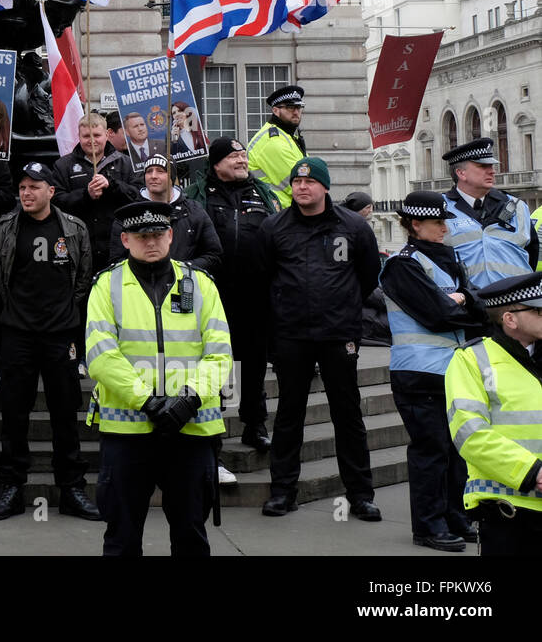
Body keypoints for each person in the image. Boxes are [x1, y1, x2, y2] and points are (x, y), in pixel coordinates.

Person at [85, 201, 231, 555]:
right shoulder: (106, 285)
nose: (150, 242)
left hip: (191, 428)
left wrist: (188, 400)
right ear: (125, 239)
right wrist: (148, 402)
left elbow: (220, 354)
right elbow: (101, 355)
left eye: (157, 234)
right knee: (121, 537)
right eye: (141, 236)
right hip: (128, 431)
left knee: (191, 535)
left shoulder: (200, 284)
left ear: (170, 236)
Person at [257, 156, 383, 521]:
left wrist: (342, 306)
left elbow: (369, 276)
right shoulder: (273, 227)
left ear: (325, 186)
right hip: (291, 334)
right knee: (288, 415)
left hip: (338, 333)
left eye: (310, 182)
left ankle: (360, 494)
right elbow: (263, 279)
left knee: (348, 415)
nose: (302, 187)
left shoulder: (355, 227)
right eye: (296, 182)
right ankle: (282, 491)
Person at [0, 162, 99, 521]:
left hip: (60, 334)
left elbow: (83, 278)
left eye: (34, 186)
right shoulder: (5, 227)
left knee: (65, 413)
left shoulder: (74, 228)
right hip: (17, 333)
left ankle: (72, 488)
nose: (26, 193)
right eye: (22, 187)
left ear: (51, 191)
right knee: (14, 415)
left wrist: (65, 314)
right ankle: (11, 487)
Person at [380, 192, 481, 552]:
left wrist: (463, 300)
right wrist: (462, 302)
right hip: (419, 372)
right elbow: (438, 314)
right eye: (438, 222)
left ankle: (456, 517)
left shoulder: (449, 257)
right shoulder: (402, 265)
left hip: (453, 368)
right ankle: (428, 525)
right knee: (431, 451)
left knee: (456, 451)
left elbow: (475, 307)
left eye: (445, 221)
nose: (444, 228)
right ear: (415, 224)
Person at [183, 138, 280, 453]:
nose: (242, 161)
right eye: (235, 156)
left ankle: (255, 425)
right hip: (214, 296)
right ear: (217, 163)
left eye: (243, 156)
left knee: (252, 364)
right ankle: (216, 429)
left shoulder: (262, 194)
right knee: (216, 364)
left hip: (255, 295)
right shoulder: (198, 197)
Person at [447, 271, 542, 555]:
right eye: (538, 310)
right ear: (510, 319)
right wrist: (534, 472)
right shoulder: (472, 360)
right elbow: (470, 433)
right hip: (509, 512)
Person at [441, 137, 538, 288]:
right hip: (468, 305)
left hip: (516, 303)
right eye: (482, 166)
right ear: (461, 173)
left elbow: (531, 252)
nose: (492, 171)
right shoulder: (442, 209)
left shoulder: (516, 206)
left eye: (492, 166)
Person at [108, 155, 222, 275]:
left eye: (161, 171)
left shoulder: (194, 210)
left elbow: (213, 255)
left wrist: (180, 269)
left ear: (172, 177)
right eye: (149, 171)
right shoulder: (130, 212)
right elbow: (116, 261)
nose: (153, 176)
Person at [52, 112, 136, 274]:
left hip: (119, 246)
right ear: (79, 136)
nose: (91, 140)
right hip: (78, 247)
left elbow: (136, 196)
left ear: (106, 135)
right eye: (86, 136)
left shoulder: (125, 163)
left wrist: (112, 185)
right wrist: (86, 195)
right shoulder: (63, 165)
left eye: (97, 135)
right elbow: (56, 201)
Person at [247, 84, 307, 209]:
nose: (296, 112)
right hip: (279, 214)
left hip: (286, 212)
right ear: (275, 110)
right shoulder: (272, 141)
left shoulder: (287, 136)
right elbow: (303, 184)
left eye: (299, 107)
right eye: (290, 107)